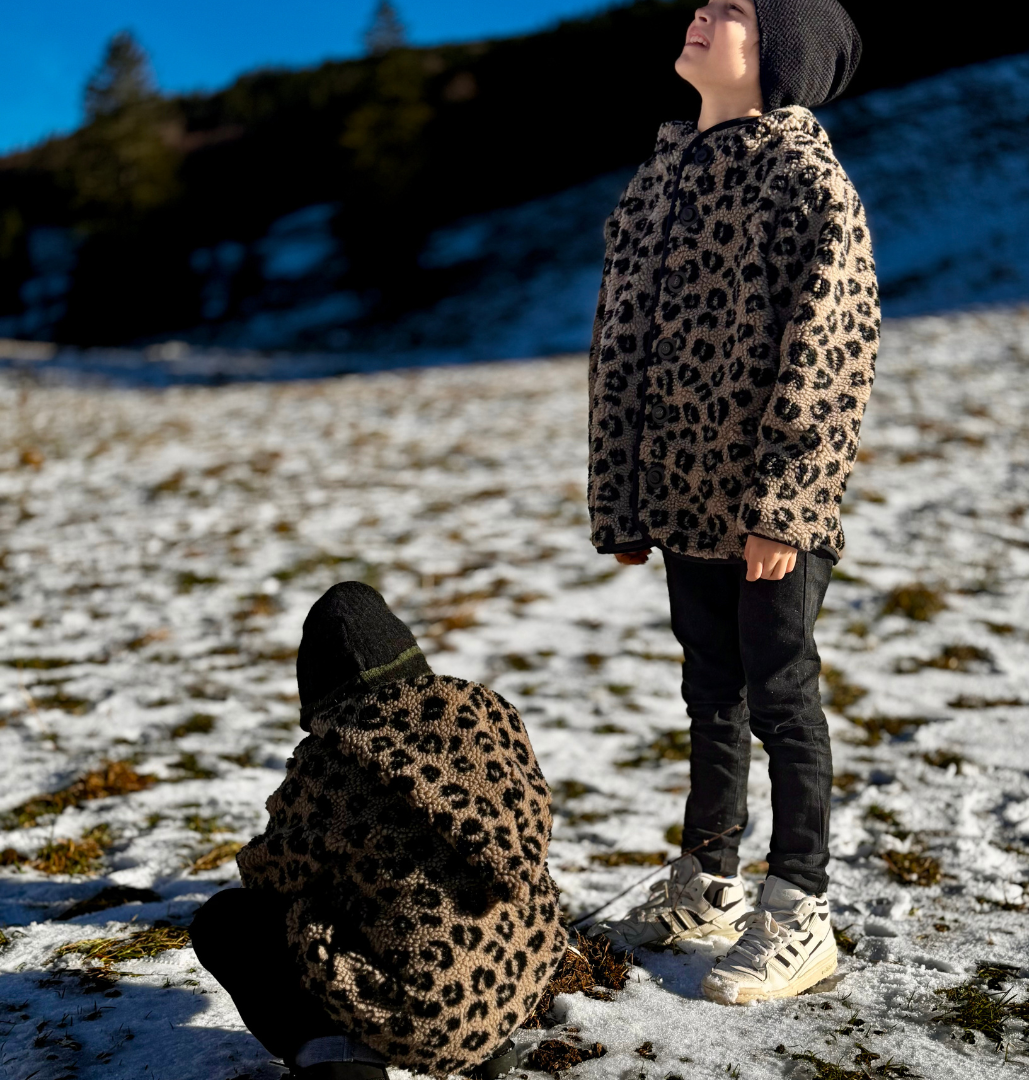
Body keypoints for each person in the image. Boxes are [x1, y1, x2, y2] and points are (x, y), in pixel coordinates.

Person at [586, 0, 877, 1005]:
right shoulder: (658, 180)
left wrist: (785, 504)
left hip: (770, 510)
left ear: (781, 57)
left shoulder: (803, 179)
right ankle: (707, 881)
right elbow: (619, 349)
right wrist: (621, 500)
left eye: (737, 9)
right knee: (710, 691)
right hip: (683, 500)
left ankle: (801, 910)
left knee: (782, 696)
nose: (704, 13)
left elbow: (830, 346)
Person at [190, 583, 567, 1078]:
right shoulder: (490, 718)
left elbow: (270, 874)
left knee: (227, 922)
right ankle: (492, 1043)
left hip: (417, 1013)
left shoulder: (332, 760)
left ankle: (336, 1052)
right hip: (515, 979)